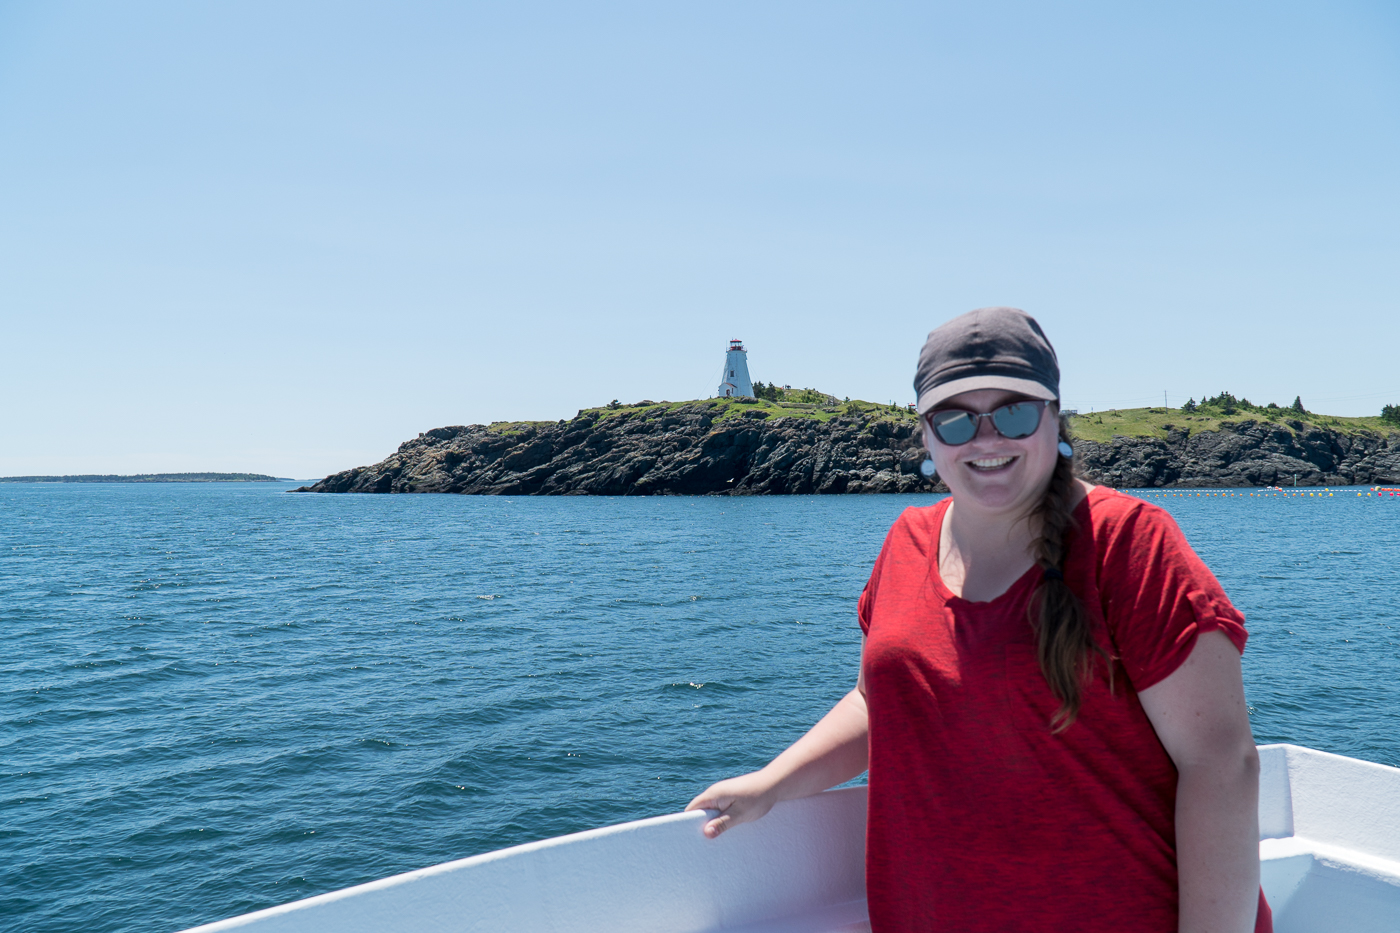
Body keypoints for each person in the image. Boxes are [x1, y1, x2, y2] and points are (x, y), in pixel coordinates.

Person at [686, 307, 1270, 933]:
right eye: (957, 420)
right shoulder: (906, 541)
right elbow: (877, 700)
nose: (986, 439)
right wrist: (773, 783)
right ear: (928, 436)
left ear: (1055, 418)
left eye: (1014, 412)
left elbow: (1221, 766)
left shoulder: (1131, 544)